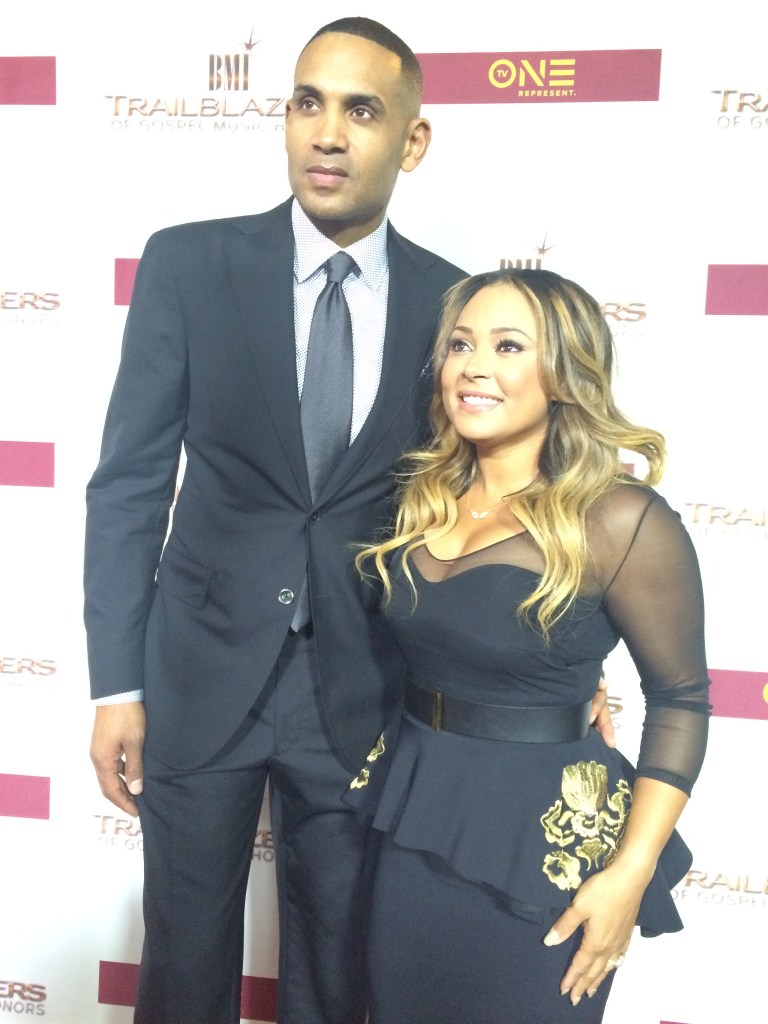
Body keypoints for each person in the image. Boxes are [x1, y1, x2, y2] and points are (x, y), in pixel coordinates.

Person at [85, 18, 614, 1024]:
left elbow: (501, 493)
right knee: (183, 958)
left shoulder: (453, 307)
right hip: (197, 674)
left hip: (366, 685)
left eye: (361, 110)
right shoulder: (189, 264)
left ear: (412, 141)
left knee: (336, 968)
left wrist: (567, 660)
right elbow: (129, 484)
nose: (327, 133)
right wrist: (117, 683)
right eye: (307, 103)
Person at [351, 268, 710, 1024]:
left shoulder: (620, 518)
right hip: (412, 817)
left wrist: (630, 874)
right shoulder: (418, 499)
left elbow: (681, 701)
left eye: (508, 346)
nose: (473, 366)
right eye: (460, 345)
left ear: (564, 371)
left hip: (545, 843)